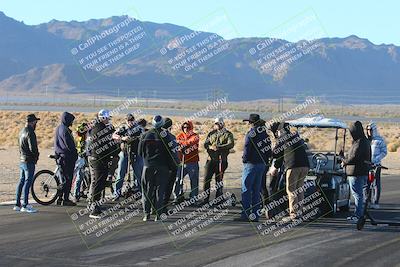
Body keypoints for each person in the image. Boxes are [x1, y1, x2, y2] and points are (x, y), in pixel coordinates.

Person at [234, 114, 272, 222]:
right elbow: (269, 150)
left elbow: (247, 146)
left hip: (251, 164)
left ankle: (245, 214)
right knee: (256, 190)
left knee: (246, 189)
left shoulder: (251, 133)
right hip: (262, 164)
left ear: (251, 123)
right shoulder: (265, 134)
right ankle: (255, 215)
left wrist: (245, 159)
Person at [269, 122, 310, 221]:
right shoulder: (295, 136)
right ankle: (299, 213)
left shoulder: (283, 138)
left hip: (293, 166)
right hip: (305, 165)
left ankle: (293, 214)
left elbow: (276, 154)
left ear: (280, 131)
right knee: (299, 190)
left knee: (291, 191)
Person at [139, 115, 175, 221]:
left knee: (147, 190)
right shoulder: (166, 136)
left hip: (148, 166)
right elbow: (171, 153)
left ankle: (147, 214)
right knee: (160, 190)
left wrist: (147, 160)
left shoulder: (145, 135)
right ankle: (158, 214)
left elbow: (140, 152)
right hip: (162, 167)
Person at [87, 109, 120, 219]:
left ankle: (94, 204)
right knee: (98, 182)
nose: (108, 120)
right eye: (107, 118)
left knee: (97, 182)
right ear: (103, 118)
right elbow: (107, 146)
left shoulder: (96, 127)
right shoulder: (100, 129)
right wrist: (116, 144)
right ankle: (94, 208)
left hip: (95, 158)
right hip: (98, 159)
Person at [342, 121, 371, 223]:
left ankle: (358, 215)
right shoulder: (365, 141)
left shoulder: (359, 142)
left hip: (356, 172)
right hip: (362, 171)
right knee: (359, 194)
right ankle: (359, 214)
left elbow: (354, 157)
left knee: (357, 194)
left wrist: (344, 161)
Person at [202, 117, 235, 205]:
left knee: (219, 180)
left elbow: (231, 144)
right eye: (215, 124)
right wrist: (210, 147)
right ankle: (205, 200)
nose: (216, 125)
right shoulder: (211, 134)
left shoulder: (228, 134)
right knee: (206, 180)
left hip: (222, 161)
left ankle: (218, 199)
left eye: (218, 124)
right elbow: (205, 144)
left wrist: (219, 147)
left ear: (222, 124)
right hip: (210, 160)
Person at [113, 114, 144, 200]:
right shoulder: (123, 127)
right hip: (124, 152)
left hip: (136, 153)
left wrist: (136, 138)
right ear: (126, 120)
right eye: (128, 120)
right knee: (120, 173)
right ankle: (117, 193)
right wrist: (123, 138)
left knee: (138, 173)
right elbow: (114, 135)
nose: (130, 122)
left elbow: (144, 135)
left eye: (131, 120)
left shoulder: (139, 128)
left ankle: (139, 192)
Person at [14, 114, 40, 213]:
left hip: (22, 159)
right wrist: (36, 156)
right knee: (27, 182)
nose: (36, 124)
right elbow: (33, 148)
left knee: (21, 181)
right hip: (29, 161)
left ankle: (17, 204)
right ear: (32, 122)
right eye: (36, 122)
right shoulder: (30, 132)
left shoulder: (21, 131)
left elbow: (20, 147)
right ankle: (25, 205)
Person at [54, 112, 78, 206]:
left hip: (59, 156)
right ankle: (66, 199)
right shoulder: (65, 130)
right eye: (71, 121)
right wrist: (75, 153)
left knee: (63, 179)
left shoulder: (59, 128)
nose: (72, 122)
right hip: (67, 157)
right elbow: (69, 145)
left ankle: (60, 198)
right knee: (68, 179)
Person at [174, 120, 200, 204]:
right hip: (181, 162)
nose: (186, 129)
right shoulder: (180, 135)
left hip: (192, 162)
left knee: (194, 180)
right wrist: (181, 144)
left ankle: (194, 197)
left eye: (188, 127)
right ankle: (177, 196)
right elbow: (175, 143)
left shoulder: (195, 136)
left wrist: (182, 144)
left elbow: (192, 142)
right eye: (184, 127)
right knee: (178, 179)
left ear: (191, 128)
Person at [366, 122, 387, 209]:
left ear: (374, 130)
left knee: (375, 184)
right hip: (367, 165)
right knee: (367, 184)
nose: (369, 132)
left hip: (376, 165)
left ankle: (376, 202)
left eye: (370, 130)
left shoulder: (380, 140)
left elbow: (384, 152)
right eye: (367, 130)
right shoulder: (366, 140)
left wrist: (376, 159)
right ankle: (368, 201)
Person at [161, 118, 180, 208]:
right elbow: (175, 152)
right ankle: (163, 206)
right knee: (168, 186)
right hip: (169, 165)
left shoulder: (154, 135)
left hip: (155, 165)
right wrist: (177, 163)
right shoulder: (171, 137)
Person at [72, 122, 88, 202]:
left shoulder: (83, 136)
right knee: (79, 176)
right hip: (80, 158)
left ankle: (80, 192)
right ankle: (76, 194)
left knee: (82, 176)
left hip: (82, 157)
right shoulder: (80, 137)